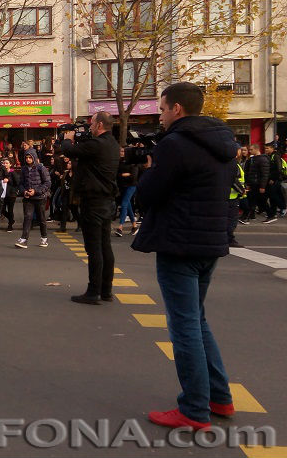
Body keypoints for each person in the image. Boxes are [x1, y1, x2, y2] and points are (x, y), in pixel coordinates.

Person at [131, 82, 237, 430]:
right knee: (198, 321)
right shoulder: (222, 143)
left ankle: (193, 408)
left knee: (184, 326)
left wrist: (147, 169)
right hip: (209, 242)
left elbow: (147, 195)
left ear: (177, 108)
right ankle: (219, 396)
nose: (159, 116)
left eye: (161, 109)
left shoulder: (175, 144)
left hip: (179, 242)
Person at [62, 111, 120, 305]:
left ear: (100, 125)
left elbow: (69, 151)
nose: (90, 127)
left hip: (93, 201)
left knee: (94, 248)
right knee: (105, 246)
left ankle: (93, 291)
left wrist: (68, 139)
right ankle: (106, 290)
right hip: (106, 199)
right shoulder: (112, 144)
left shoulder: (98, 144)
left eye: (92, 123)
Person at [14, 151, 52, 248]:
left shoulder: (41, 168)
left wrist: (36, 191)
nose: (28, 159)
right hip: (28, 198)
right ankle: (24, 239)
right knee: (27, 217)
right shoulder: (24, 169)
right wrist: (24, 192)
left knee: (41, 218)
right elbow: (21, 183)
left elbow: (47, 183)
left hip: (40, 197)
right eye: (26, 157)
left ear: (34, 158)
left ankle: (44, 238)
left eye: (30, 157)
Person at [115, 147, 140, 236]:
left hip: (131, 186)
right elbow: (117, 175)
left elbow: (133, 177)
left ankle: (120, 227)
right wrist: (124, 175)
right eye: (120, 151)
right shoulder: (120, 162)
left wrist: (123, 175)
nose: (121, 153)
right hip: (123, 186)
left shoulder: (133, 163)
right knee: (128, 205)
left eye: (122, 151)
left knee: (124, 203)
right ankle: (134, 226)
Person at [242, 144, 269, 222]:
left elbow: (265, 174)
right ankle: (250, 216)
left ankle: (270, 215)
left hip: (258, 184)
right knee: (252, 200)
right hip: (253, 183)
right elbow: (250, 172)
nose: (249, 151)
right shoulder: (253, 159)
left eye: (251, 150)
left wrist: (262, 186)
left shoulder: (263, 159)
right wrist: (248, 184)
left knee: (261, 201)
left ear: (256, 149)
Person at [228, 147, 246, 248]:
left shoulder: (226, 163)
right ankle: (229, 239)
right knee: (232, 220)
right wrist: (242, 191)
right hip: (233, 196)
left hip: (226, 196)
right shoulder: (234, 164)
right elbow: (234, 181)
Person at [263, 143, 285, 222]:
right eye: (265, 148)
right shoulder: (269, 156)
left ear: (272, 148)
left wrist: (273, 178)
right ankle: (274, 212)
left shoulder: (276, 156)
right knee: (274, 195)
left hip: (276, 179)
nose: (266, 150)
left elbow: (278, 170)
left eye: (267, 148)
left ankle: (283, 207)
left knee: (273, 195)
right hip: (272, 179)